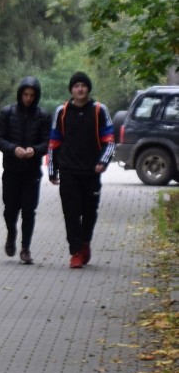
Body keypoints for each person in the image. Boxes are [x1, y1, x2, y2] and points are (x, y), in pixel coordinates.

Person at [48, 72, 115, 268]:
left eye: (83, 85)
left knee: (89, 212)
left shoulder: (99, 110)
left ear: (88, 88)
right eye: (76, 86)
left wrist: (102, 162)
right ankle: (76, 252)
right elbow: (54, 142)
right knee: (71, 212)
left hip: (91, 171)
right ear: (71, 89)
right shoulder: (62, 111)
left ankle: (85, 242)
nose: (80, 89)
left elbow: (109, 141)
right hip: (68, 171)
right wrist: (53, 170)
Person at [0, 76, 51, 264]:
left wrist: (34, 150)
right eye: (25, 94)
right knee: (10, 209)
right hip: (11, 170)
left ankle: (26, 248)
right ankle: (11, 233)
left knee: (29, 210)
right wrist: (13, 149)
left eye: (32, 95)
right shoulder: (7, 113)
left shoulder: (43, 116)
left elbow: (48, 142)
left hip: (32, 171)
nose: (28, 98)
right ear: (20, 94)